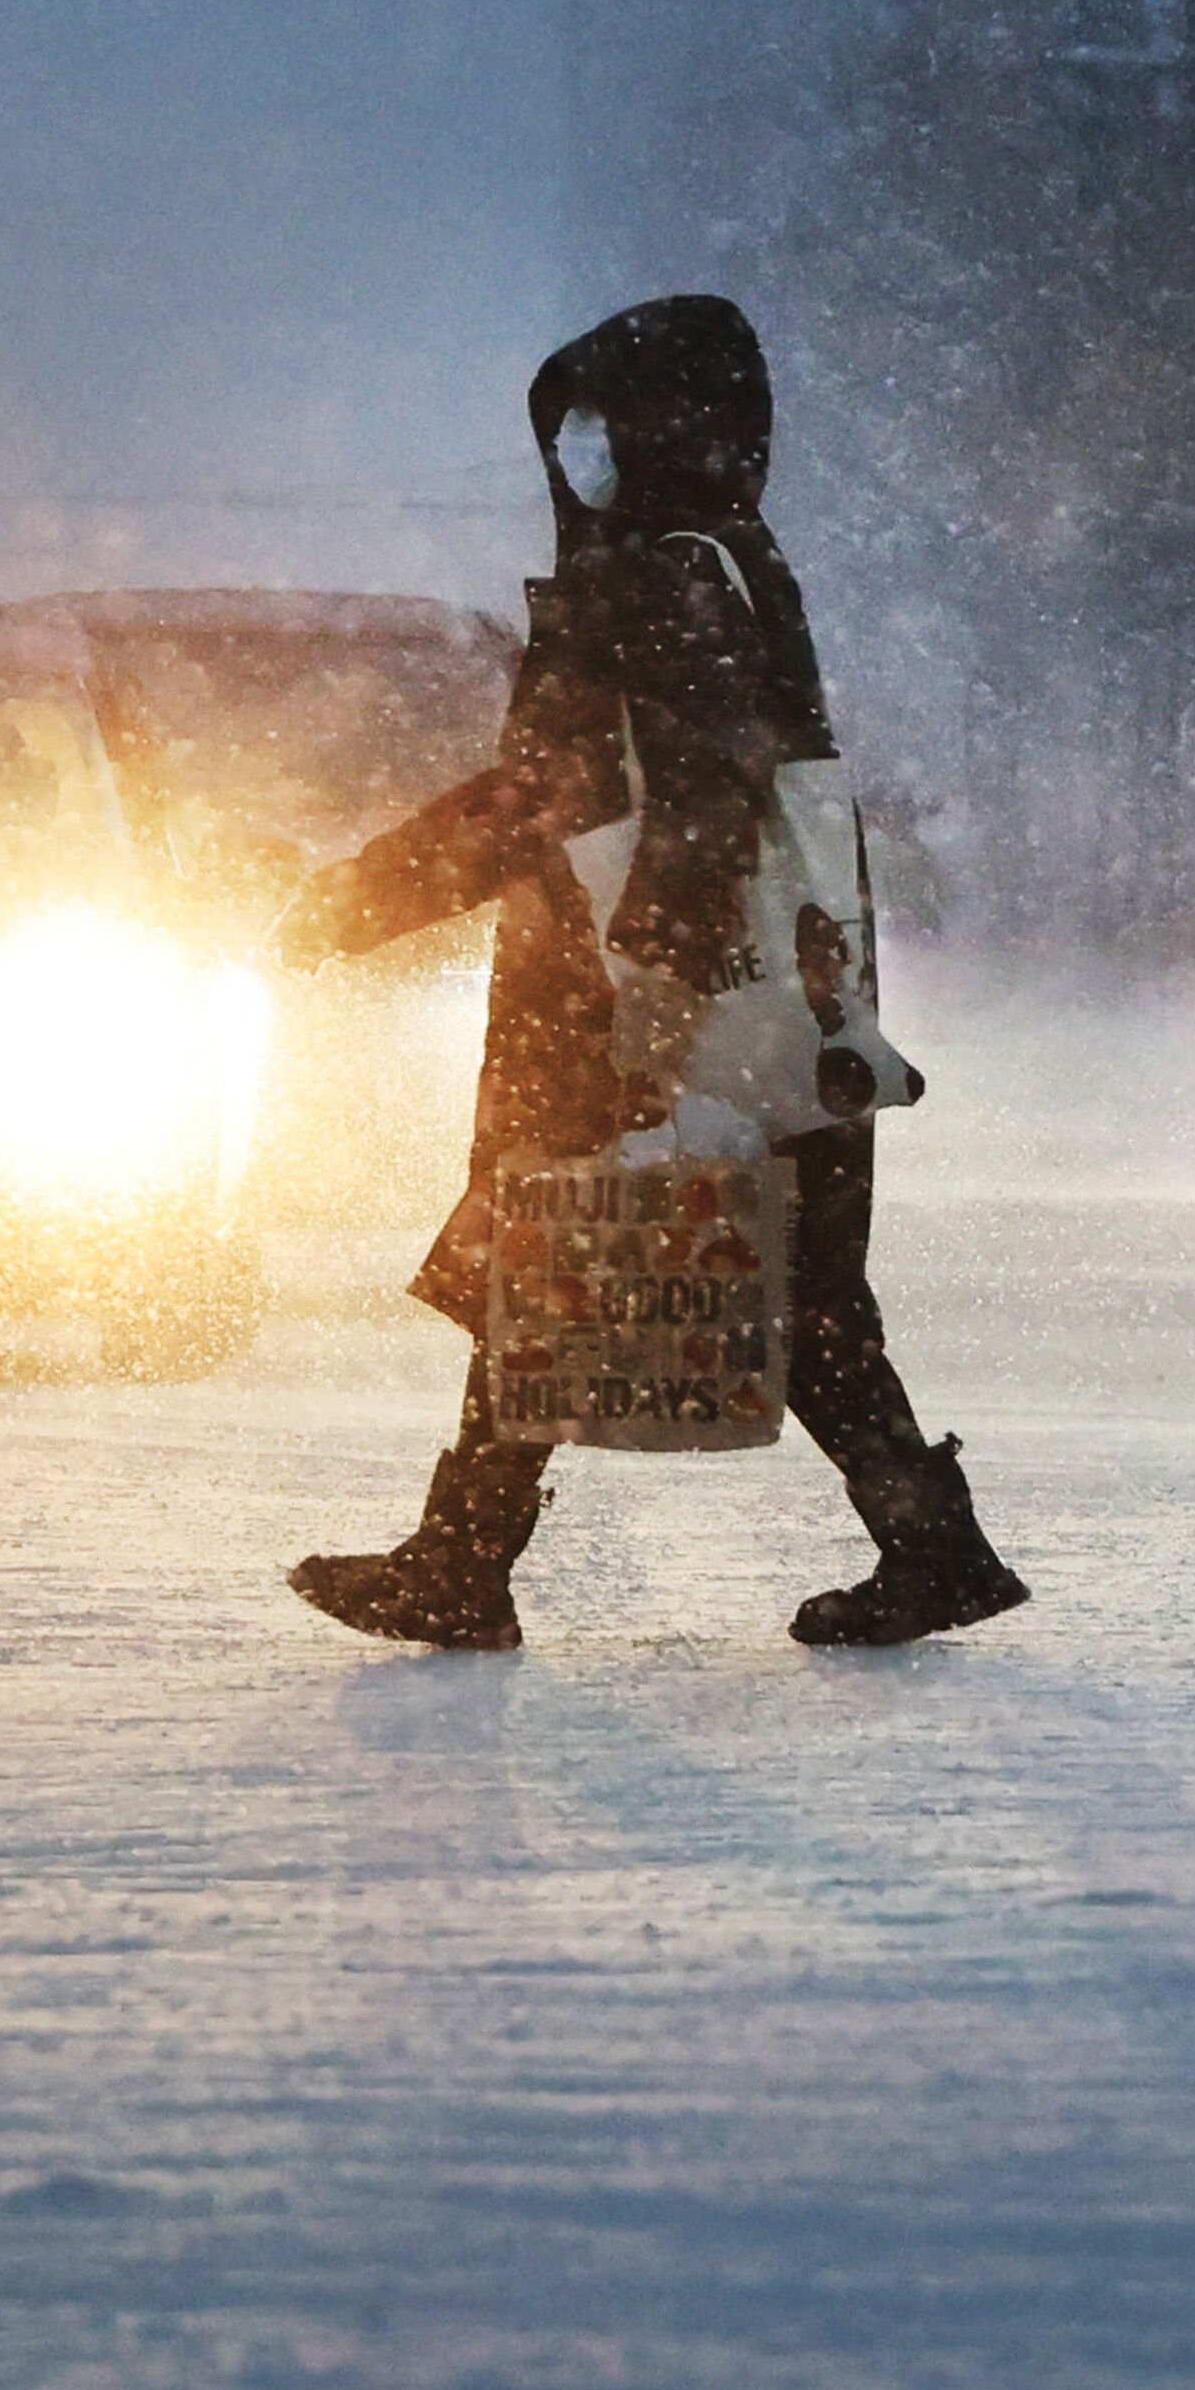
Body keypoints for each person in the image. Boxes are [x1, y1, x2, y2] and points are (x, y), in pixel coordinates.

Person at [276, 294, 1025, 1652]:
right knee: (751, 1280)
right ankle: (922, 1543)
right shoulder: (730, 556)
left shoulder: (663, 573)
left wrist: (652, 992)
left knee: (560, 1247)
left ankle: (467, 1562)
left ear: (667, 428)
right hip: (773, 996)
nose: (583, 462)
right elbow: (654, 787)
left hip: (642, 996)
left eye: (603, 429)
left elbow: (634, 798)